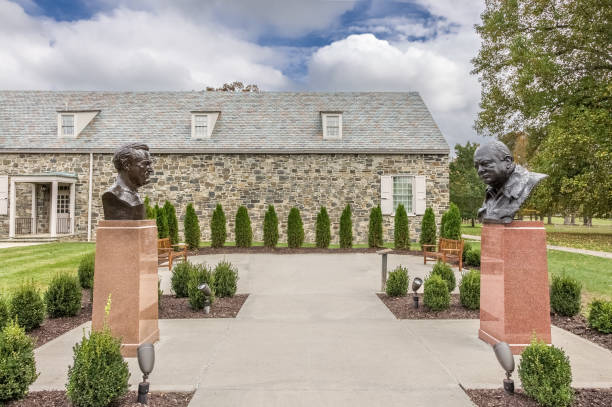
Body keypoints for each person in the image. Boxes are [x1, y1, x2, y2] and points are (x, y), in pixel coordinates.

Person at [473, 141, 547, 224]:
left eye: (486, 163)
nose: (480, 170)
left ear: (507, 161)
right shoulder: (490, 192)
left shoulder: (533, 182)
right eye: (477, 167)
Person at [102, 143, 153, 220]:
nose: (150, 170)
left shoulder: (134, 195)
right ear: (126, 165)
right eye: (145, 164)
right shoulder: (112, 195)